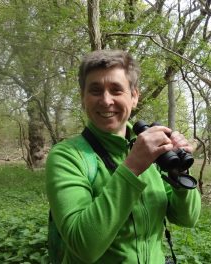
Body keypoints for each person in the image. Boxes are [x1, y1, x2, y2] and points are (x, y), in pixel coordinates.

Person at [46, 49, 201, 264]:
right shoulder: (67, 156)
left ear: (134, 96)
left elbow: (188, 218)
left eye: (116, 90)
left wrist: (178, 172)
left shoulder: (153, 149)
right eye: (95, 90)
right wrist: (132, 167)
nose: (106, 100)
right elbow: (83, 246)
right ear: (83, 98)